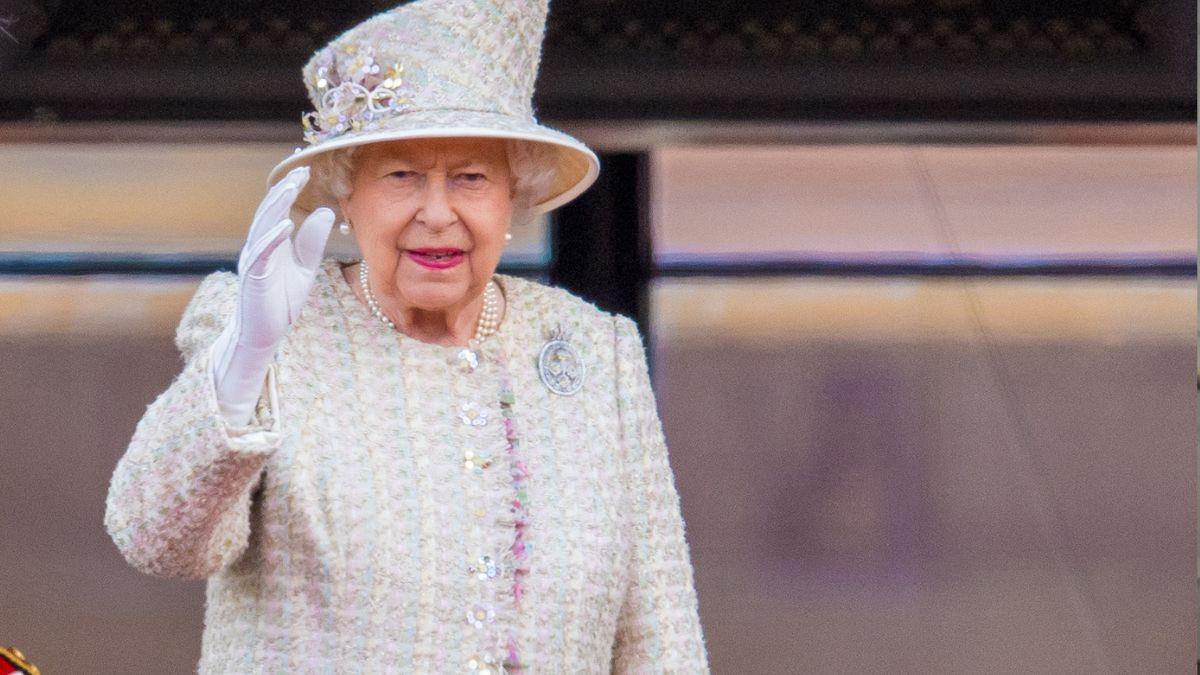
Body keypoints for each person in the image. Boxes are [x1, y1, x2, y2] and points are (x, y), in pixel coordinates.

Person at [103, 0, 710, 672]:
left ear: (511, 196)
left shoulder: (597, 349)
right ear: (345, 195)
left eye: (470, 178)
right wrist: (244, 360)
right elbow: (156, 538)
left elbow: (660, 633)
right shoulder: (264, 329)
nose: (438, 212)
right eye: (402, 177)